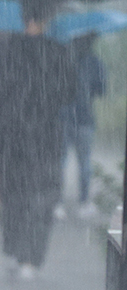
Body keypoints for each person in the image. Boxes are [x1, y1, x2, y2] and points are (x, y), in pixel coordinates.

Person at [0, 0, 76, 281]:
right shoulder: (59, 52)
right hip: (46, 134)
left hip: (9, 133)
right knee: (43, 194)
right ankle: (32, 259)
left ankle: (13, 249)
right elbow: (68, 95)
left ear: (22, 18)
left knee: (12, 193)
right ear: (47, 20)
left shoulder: (5, 50)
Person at [60, 33, 106, 219]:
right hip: (85, 118)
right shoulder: (95, 62)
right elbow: (101, 90)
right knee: (84, 162)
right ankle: (84, 202)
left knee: (60, 161)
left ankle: (58, 203)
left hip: (62, 117)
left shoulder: (63, 59)